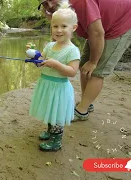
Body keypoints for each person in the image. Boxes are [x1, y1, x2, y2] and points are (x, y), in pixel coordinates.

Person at [38, 0, 131, 121]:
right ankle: (86, 103)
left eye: (51, 0)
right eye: (45, 3)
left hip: (122, 20)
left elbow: (97, 33)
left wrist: (93, 62)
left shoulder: (80, 2)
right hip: (100, 26)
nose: (49, 5)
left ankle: (82, 111)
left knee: (97, 70)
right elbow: (61, 32)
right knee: (84, 66)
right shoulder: (61, 8)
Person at [29, 1, 80, 151]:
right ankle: (50, 131)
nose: (59, 30)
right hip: (46, 85)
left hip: (59, 88)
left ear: (73, 28)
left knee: (57, 114)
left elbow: (72, 72)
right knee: (50, 110)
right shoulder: (49, 46)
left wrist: (56, 64)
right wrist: (36, 60)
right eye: (55, 26)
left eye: (64, 26)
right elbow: (42, 62)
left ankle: (56, 141)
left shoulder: (72, 50)